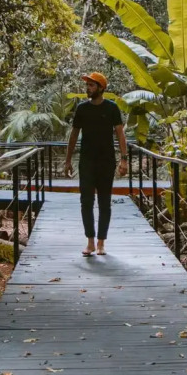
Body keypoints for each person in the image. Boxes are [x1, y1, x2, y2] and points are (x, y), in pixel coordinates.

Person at [64, 72, 128, 256]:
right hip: (86, 162)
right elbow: (74, 135)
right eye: (87, 85)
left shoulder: (112, 108)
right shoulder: (82, 109)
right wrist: (68, 160)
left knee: (104, 202)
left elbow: (120, 134)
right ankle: (90, 242)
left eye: (91, 85)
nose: (88, 88)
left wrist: (124, 160)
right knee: (86, 202)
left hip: (106, 162)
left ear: (101, 88)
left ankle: (101, 243)